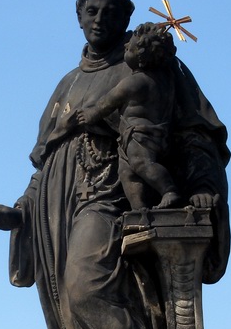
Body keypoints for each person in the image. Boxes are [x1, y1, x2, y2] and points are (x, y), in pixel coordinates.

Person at [0, 0, 230, 329]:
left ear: (126, 19)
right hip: (61, 212)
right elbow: (47, 164)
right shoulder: (66, 86)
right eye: (91, 10)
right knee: (73, 317)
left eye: (110, 11)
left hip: (115, 201)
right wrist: (20, 210)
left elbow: (195, 132)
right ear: (78, 18)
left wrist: (201, 182)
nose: (99, 18)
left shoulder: (151, 66)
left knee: (85, 287)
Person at [76, 22, 180, 210]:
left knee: (142, 164)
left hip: (140, 135)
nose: (124, 46)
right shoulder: (164, 82)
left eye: (129, 47)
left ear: (140, 58)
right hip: (139, 135)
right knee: (127, 172)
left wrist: (90, 114)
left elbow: (107, 102)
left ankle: (169, 190)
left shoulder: (134, 82)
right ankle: (139, 210)